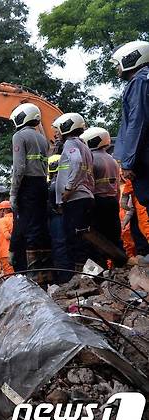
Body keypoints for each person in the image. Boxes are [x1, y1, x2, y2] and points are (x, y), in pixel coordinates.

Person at [9, 103, 52, 284]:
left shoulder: (19, 136)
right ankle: (43, 274)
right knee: (39, 227)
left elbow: (19, 168)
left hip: (27, 185)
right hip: (41, 184)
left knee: (26, 228)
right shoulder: (42, 138)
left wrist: (13, 192)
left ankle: (30, 275)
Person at [53, 113, 95, 274]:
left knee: (75, 241)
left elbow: (76, 163)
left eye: (58, 129)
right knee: (84, 240)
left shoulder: (70, 143)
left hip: (75, 199)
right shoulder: (84, 145)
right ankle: (91, 276)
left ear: (66, 127)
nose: (56, 133)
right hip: (85, 197)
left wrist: (68, 188)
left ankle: (81, 278)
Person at [111, 41, 149, 206]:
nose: (116, 68)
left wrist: (127, 162)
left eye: (117, 63)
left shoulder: (139, 82)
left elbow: (137, 123)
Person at [81, 127, 125, 267]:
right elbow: (117, 187)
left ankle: (100, 271)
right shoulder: (112, 160)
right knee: (114, 237)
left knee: (97, 239)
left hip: (97, 202)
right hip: (112, 201)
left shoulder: (91, 159)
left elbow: (87, 183)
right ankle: (121, 267)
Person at [47, 154, 73, 283]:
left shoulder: (53, 185)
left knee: (60, 248)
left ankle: (64, 279)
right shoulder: (70, 181)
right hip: (68, 217)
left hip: (58, 219)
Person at [0, 200, 15, 275]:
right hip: (17, 250)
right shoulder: (16, 218)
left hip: (6, 252)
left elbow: (7, 236)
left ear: (4, 210)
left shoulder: (2, 220)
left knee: (9, 275)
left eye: (0, 210)